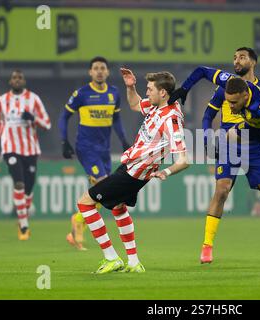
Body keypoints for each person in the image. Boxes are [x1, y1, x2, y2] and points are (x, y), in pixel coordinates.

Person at [169, 66, 260, 271]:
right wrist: (208, 138)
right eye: (236, 57)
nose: (237, 60)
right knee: (221, 190)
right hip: (231, 145)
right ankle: (207, 246)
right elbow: (208, 112)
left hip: (254, 146)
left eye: (242, 57)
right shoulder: (226, 85)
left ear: (252, 63)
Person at [76, 69, 189, 274]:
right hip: (132, 167)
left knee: (85, 203)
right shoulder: (156, 108)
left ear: (163, 92)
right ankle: (134, 262)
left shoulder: (171, 120)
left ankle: (111, 258)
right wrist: (130, 87)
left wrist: (167, 172)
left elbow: (184, 160)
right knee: (118, 207)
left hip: (133, 173)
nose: (147, 93)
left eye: (150, 89)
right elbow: (135, 104)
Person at [58, 56, 130, 250]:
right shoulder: (82, 93)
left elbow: (116, 120)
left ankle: (76, 226)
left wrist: (124, 140)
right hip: (86, 147)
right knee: (105, 186)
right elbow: (64, 116)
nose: (99, 71)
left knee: (102, 193)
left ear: (107, 72)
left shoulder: (114, 94)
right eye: (95, 68)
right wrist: (64, 141)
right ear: (90, 72)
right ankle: (78, 220)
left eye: (102, 68)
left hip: (104, 151)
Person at [0, 70, 51, 240]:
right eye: (14, 78)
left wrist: (33, 118)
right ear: (10, 81)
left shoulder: (34, 99)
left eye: (20, 78)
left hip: (30, 149)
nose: (17, 80)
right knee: (19, 182)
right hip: (10, 147)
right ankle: (23, 226)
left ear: (24, 81)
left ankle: (23, 216)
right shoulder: (2, 100)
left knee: (28, 188)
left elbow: (47, 124)